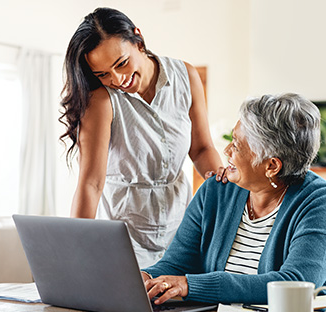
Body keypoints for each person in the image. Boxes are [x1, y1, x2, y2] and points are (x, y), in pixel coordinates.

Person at [141, 93, 326, 311]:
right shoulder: (216, 190)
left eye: (236, 146)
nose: (226, 151)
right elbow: (177, 263)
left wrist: (192, 285)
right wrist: (145, 277)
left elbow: (296, 283)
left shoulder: (319, 200)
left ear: (272, 166)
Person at [59, 7, 225, 268]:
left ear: (138, 40)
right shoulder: (102, 101)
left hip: (181, 234)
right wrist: (73, 254)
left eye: (121, 63)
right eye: (102, 74)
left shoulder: (186, 77)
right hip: (124, 241)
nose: (118, 79)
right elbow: (91, 183)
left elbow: (202, 149)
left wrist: (225, 192)